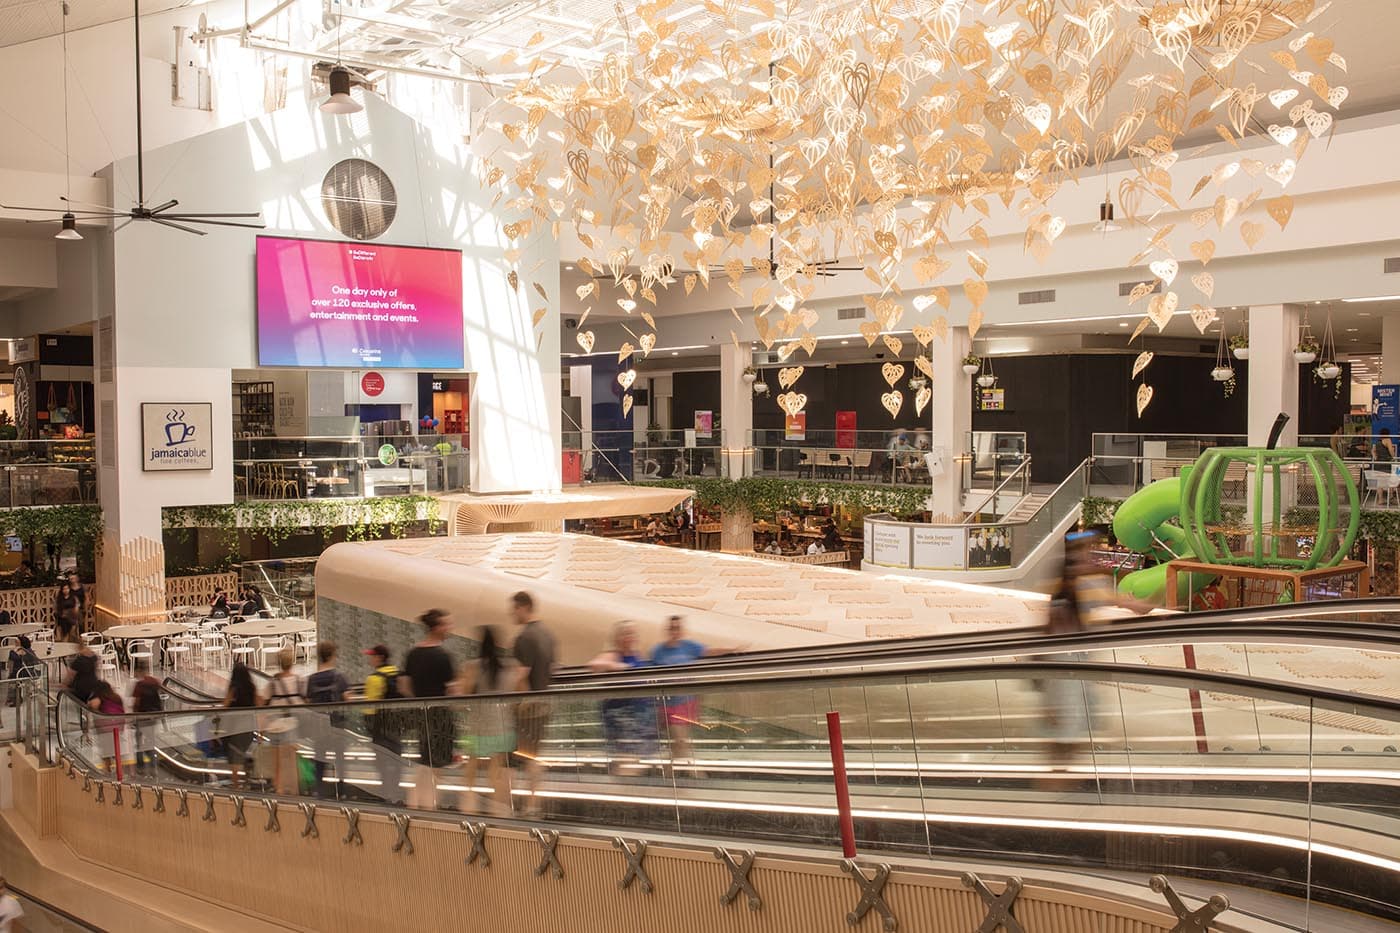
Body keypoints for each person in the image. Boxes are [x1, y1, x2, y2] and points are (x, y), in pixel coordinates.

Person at [650, 616, 741, 774]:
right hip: (668, 704)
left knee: (679, 745)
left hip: (687, 703)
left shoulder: (689, 646)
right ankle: (698, 777)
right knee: (681, 742)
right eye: (672, 628)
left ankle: (667, 775)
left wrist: (731, 650)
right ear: (667, 630)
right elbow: (651, 677)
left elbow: (709, 651)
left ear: (682, 630)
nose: (675, 631)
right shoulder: (658, 651)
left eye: (678, 628)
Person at [400, 609, 458, 810]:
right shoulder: (443, 656)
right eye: (447, 624)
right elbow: (452, 691)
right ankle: (430, 807)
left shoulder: (413, 654)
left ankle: (415, 803)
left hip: (421, 715)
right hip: (441, 717)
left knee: (425, 761)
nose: (450, 628)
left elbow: (403, 684)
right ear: (437, 627)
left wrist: (417, 702)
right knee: (436, 766)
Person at [460, 626, 514, 816]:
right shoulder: (507, 666)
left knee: (473, 760)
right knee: (496, 763)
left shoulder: (472, 666)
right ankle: (497, 804)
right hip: (501, 721)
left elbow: (465, 692)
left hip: (478, 721)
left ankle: (469, 800)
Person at [590, 622, 656, 772]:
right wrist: (618, 667)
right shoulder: (614, 655)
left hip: (641, 723)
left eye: (633, 633)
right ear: (618, 638)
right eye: (627, 633)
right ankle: (621, 791)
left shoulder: (637, 656)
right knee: (627, 764)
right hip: (622, 722)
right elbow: (595, 665)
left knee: (634, 764)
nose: (631, 637)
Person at [510, 591, 555, 815]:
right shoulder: (547, 634)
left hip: (529, 707)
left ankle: (530, 804)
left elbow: (521, 675)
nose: (512, 613)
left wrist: (518, 704)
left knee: (528, 757)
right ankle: (532, 801)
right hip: (545, 702)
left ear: (523, 607)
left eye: (514, 608)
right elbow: (553, 668)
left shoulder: (525, 637)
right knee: (533, 755)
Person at [304, 641, 350, 799]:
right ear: (331, 656)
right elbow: (348, 700)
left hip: (319, 727)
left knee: (319, 760)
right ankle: (342, 792)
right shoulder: (339, 677)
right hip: (336, 725)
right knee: (340, 759)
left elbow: (308, 702)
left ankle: (319, 792)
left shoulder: (312, 679)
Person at [363, 644, 405, 805]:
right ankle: (396, 792)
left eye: (372, 656)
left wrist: (368, 729)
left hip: (380, 728)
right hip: (397, 726)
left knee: (381, 762)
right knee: (396, 760)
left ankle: (386, 794)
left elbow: (369, 710)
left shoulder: (374, 679)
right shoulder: (398, 673)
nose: (370, 659)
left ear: (379, 658)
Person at [260, 647, 304, 794]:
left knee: (276, 763)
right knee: (291, 762)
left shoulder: (272, 683)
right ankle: (293, 791)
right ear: (292, 663)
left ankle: (278, 790)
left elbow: (261, 701)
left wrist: (261, 726)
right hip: (290, 725)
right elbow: (303, 702)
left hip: (274, 725)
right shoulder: (298, 681)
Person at [221, 662, 259, 788]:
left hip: (235, 725)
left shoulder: (234, 688)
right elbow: (258, 703)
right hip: (249, 724)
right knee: (244, 751)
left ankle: (236, 784)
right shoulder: (252, 687)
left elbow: (225, 704)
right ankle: (247, 777)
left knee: (235, 755)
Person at [129, 659, 163, 776]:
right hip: (153, 716)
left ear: (138, 671)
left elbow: (136, 703)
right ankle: (153, 767)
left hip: (142, 716)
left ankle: (140, 766)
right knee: (151, 740)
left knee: (139, 743)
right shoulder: (155, 682)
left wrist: (133, 716)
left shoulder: (139, 685)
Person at [89, 681, 125, 773]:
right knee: (116, 751)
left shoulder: (100, 699)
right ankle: (119, 772)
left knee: (106, 753)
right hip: (118, 729)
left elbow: (92, 705)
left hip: (105, 731)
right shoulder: (117, 697)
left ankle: (108, 771)